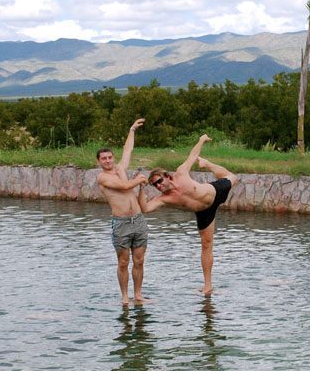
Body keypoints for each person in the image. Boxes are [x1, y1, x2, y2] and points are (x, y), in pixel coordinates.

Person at [138, 134, 238, 295]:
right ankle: (208, 285)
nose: (158, 186)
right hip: (205, 211)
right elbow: (145, 208)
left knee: (233, 177)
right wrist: (140, 188)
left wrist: (201, 140)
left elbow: (192, 155)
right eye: (155, 185)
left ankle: (208, 164)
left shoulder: (181, 173)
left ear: (167, 176)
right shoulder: (163, 199)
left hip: (215, 192)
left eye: (159, 181)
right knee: (206, 245)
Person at [96, 118, 149, 304]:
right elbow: (123, 186)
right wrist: (139, 180)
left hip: (138, 220)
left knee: (140, 261)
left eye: (110, 157)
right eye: (104, 158)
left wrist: (132, 128)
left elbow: (128, 150)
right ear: (99, 161)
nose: (108, 160)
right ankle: (125, 297)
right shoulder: (102, 178)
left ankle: (138, 294)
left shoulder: (120, 169)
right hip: (121, 223)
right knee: (123, 262)